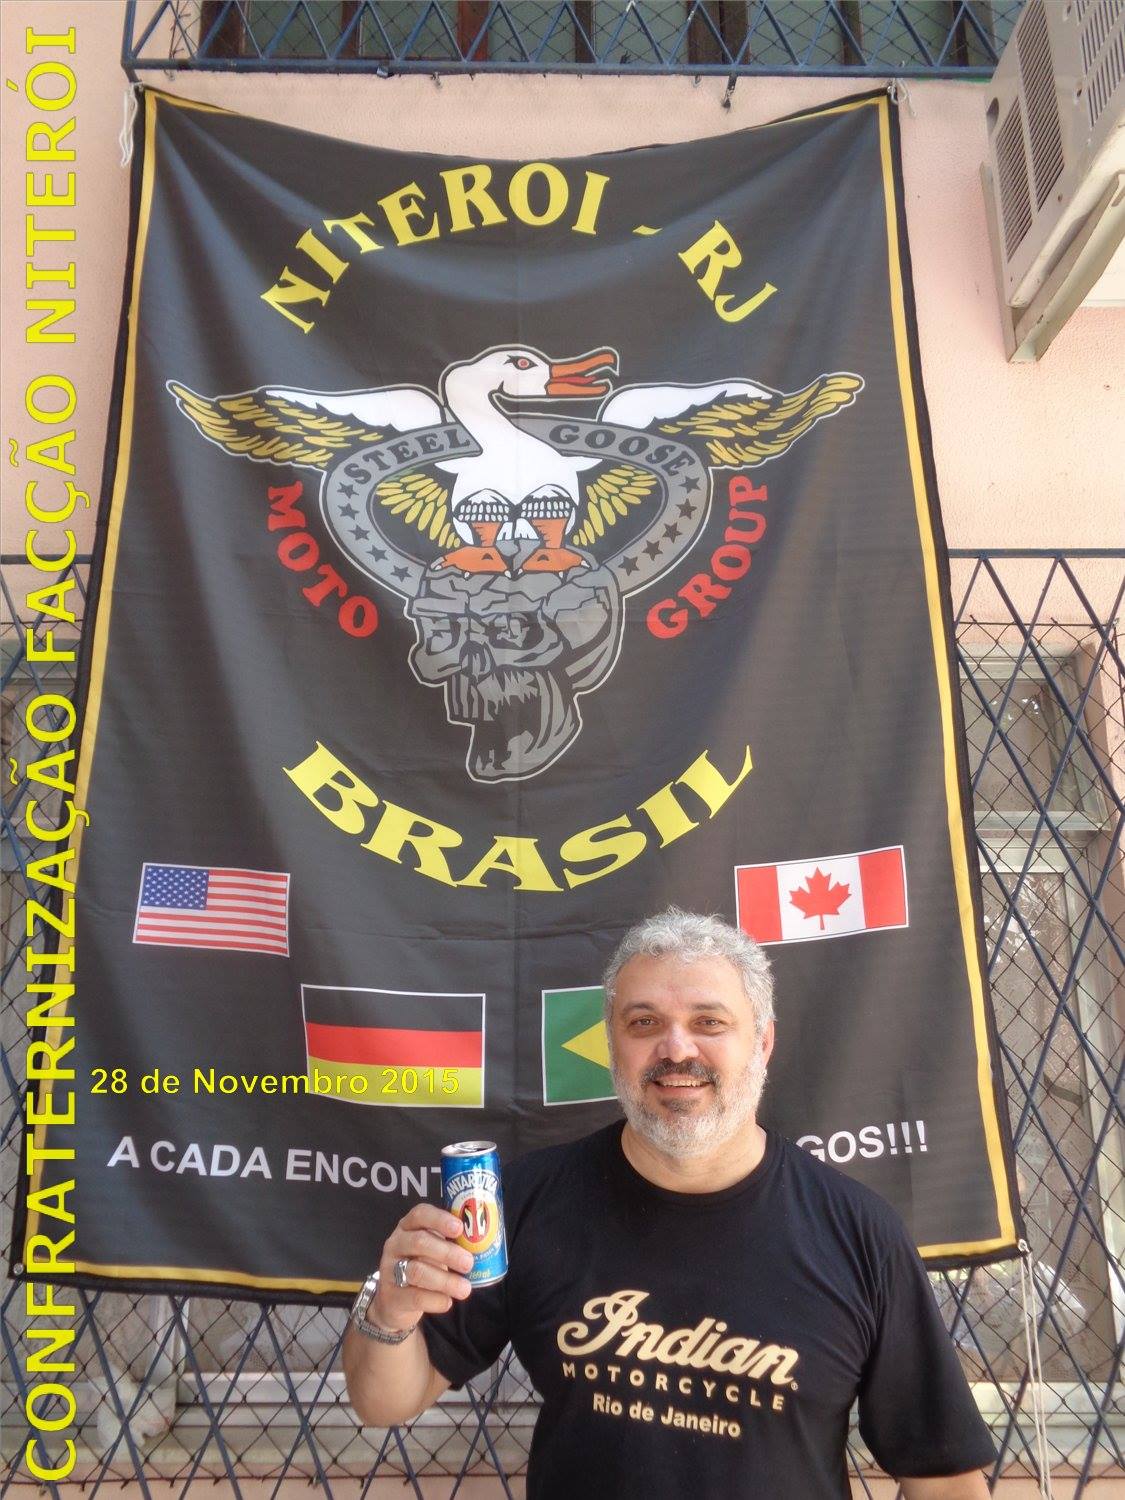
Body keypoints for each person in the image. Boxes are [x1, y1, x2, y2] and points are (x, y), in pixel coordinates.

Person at [343, 909, 996, 1498]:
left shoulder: (858, 1233)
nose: (676, 1049)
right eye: (644, 1023)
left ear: (763, 1043)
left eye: (709, 1022)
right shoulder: (524, 1204)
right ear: (612, 1046)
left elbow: (943, 1479)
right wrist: (389, 1311)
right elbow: (384, 1402)